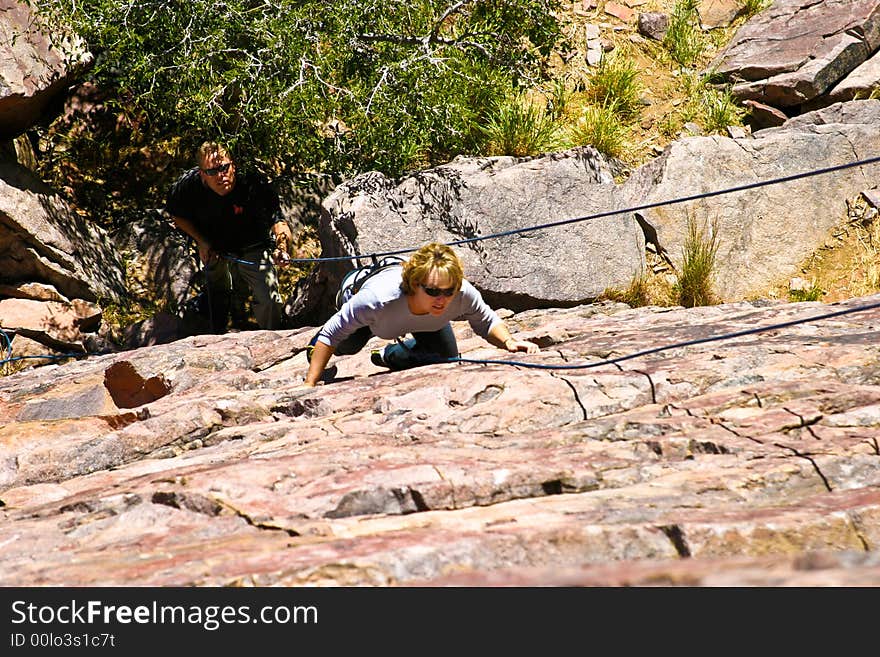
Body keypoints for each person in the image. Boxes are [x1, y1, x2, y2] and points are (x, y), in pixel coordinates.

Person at [303, 242, 539, 387]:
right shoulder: (377, 299)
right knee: (348, 345)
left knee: (446, 358)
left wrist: (509, 342)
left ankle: (388, 355)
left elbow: (486, 320)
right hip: (372, 315)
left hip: (420, 323)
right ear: (415, 284)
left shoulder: (462, 293)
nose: (442, 299)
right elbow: (332, 334)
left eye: (448, 291)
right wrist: (310, 383)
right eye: (433, 291)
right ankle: (311, 348)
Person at [165, 141, 292, 332]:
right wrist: (201, 241)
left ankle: (273, 335)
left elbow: (279, 223)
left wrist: (282, 249)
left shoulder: (252, 183)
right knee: (217, 290)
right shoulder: (188, 187)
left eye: (224, 168)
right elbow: (176, 215)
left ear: (233, 164)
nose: (220, 176)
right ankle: (218, 330)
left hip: (253, 246)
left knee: (269, 299)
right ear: (202, 174)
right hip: (215, 246)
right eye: (211, 172)